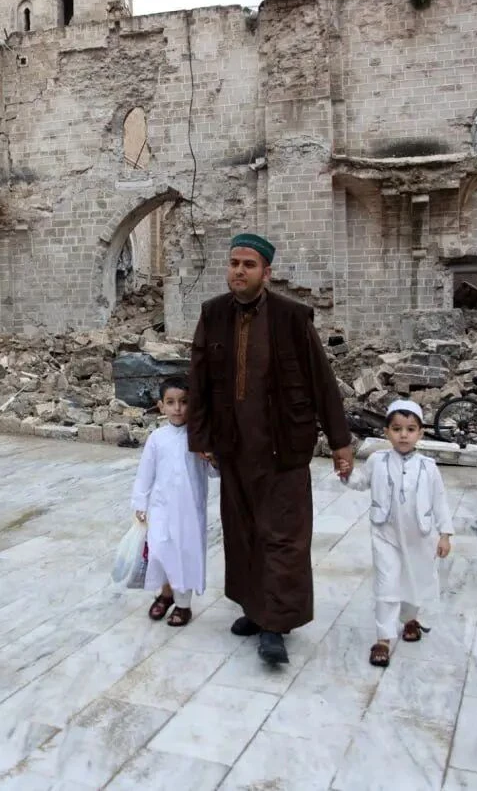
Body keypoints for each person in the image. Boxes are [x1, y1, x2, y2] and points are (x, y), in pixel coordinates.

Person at [187, 233, 353, 664]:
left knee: (282, 537)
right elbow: (198, 380)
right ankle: (255, 609)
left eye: (249, 265)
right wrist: (200, 437)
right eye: (234, 263)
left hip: (283, 449)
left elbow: (322, 381)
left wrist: (340, 442)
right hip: (234, 448)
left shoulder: (291, 317)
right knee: (243, 533)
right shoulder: (213, 314)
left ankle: (276, 624)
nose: (239, 271)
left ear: (266, 272)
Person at [342, 399, 453, 668]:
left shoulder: (428, 466)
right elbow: (360, 482)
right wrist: (346, 473)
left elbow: (439, 499)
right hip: (385, 534)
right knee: (387, 583)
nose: (404, 435)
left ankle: (411, 619)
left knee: (415, 580)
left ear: (420, 433)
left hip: (420, 537)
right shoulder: (377, 461)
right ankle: (383, 640)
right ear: (386, 432)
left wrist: (445, 534)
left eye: (410, 429)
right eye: (397, 429)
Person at [130, 376, 216, 627]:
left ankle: (183, 605)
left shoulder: (199, 436)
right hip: (161, 509)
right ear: (161, 406)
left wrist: (212, 457)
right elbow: (145, 474)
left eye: (184, 402)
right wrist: (140, 504)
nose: (177, 408)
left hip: (190, 510)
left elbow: (214, 472)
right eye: (171, 402)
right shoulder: (157, 438)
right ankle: (165, 594)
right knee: (161, 552)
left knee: (185, 554)